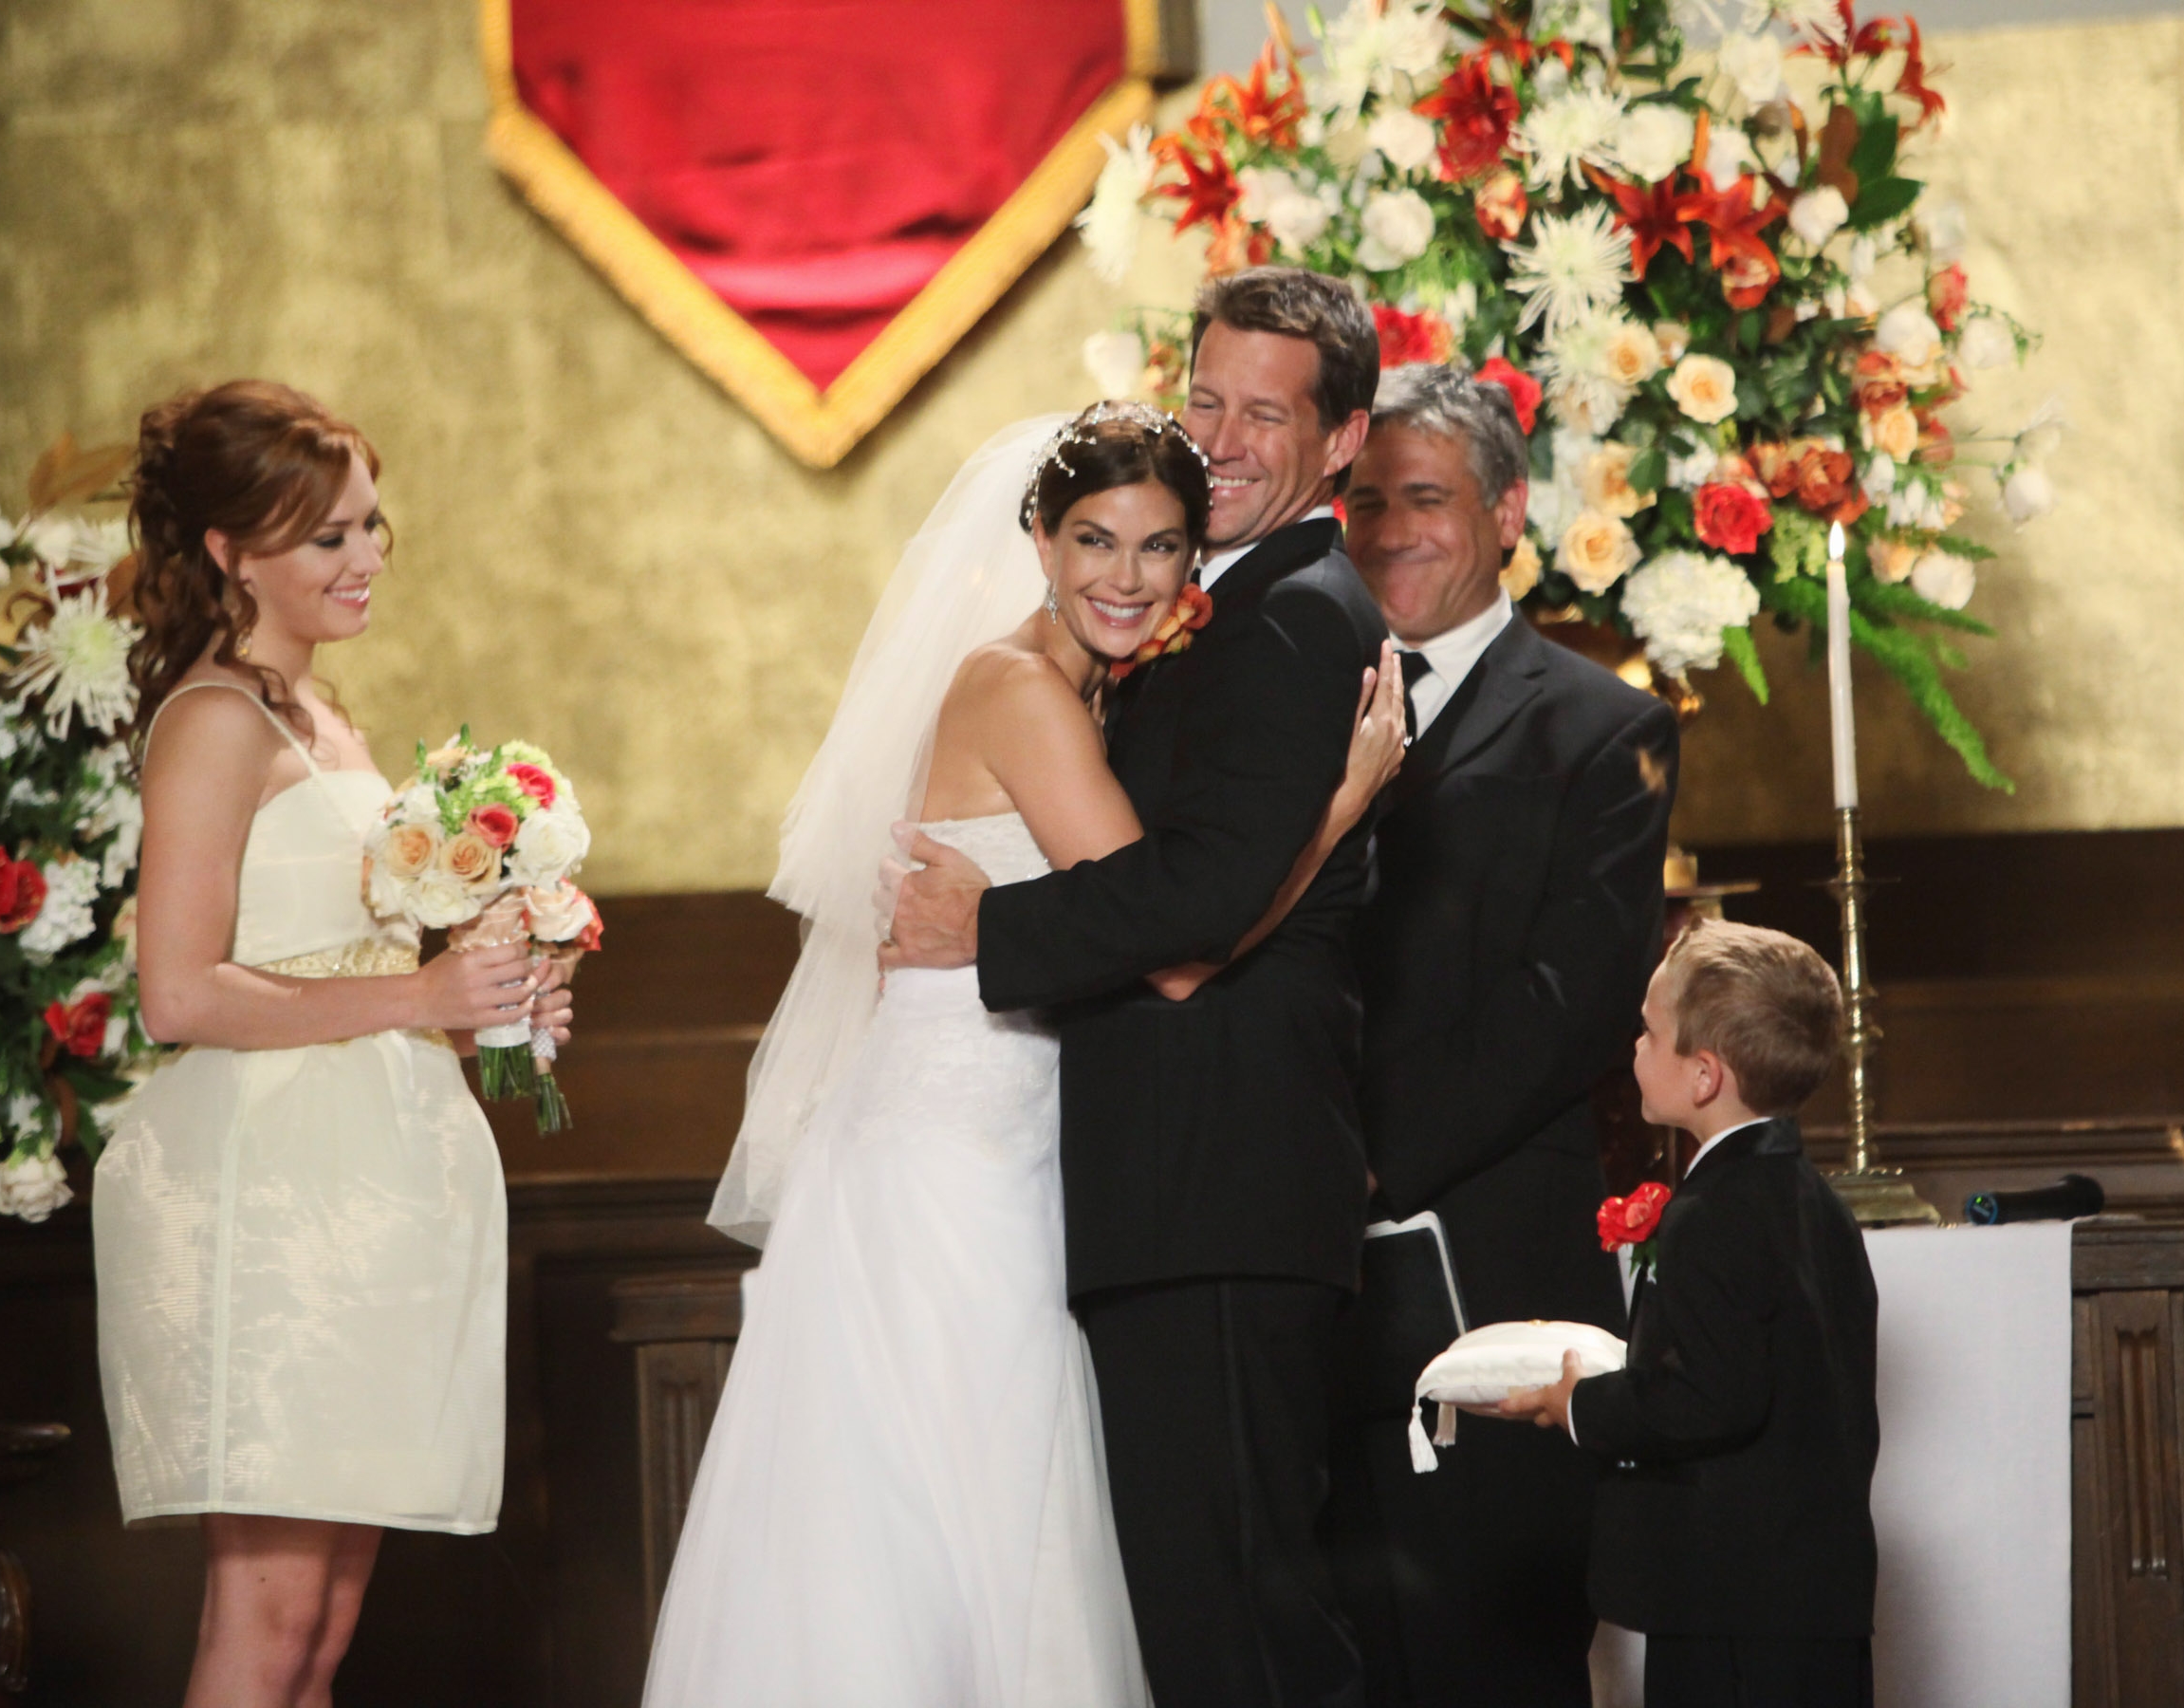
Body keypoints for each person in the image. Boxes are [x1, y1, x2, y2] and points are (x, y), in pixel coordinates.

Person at [643, 403, 1406, 1706]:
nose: (1127, 576)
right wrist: (1344, 800)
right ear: (1038, 543)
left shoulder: (1091, 691)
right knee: (957, 1533)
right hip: (957, 1167)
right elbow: (1175, 947)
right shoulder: (1017, 691)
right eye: (1095, 541)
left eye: (1162, 548)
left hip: (1017, 1145)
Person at [886, 268, 1392, 1708]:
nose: (1224, 439)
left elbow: (1188, 912)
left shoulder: (1290, 619)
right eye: (1206, 400)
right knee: (1209, 1614)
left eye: (1267, 415)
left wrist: (992, 927)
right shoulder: (1202, 614)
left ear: (1344, 439)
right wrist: (1334, 821)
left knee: (1242, 1625)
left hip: (1216, 1188)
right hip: (1170, 1192)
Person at [95, 380, 571, 1708]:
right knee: (266, 1617)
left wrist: (487, 1003)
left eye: (372, 526)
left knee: (325, 1627)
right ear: (231, 553)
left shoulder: (324, 719)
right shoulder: (213, 721)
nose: (366, 557)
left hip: (365, 1181)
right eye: (328, 537)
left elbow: (343, 958)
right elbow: (179, 994)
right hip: (268, 1193)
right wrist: (420, 1002)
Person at [1330, 362, 1677, 1707]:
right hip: (1311, 1292)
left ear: (1508, 512)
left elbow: (1573, 1002)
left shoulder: (1605, 728)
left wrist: (1366, 1160)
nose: (1390, 530)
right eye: (1362, 503)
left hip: (1494, 1272)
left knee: (1497, 1658)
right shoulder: (1297, 708)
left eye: (1424, 498)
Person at [1495, 919, 1880, 1708]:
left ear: (1705, 1076)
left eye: (1649, 1031)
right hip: (1815, 1592)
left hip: (1731, 1598)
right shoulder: (1817, 1204)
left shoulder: (1713, 1212)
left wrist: (1582, 1405)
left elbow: (1710, 1396)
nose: (1634, 1048)